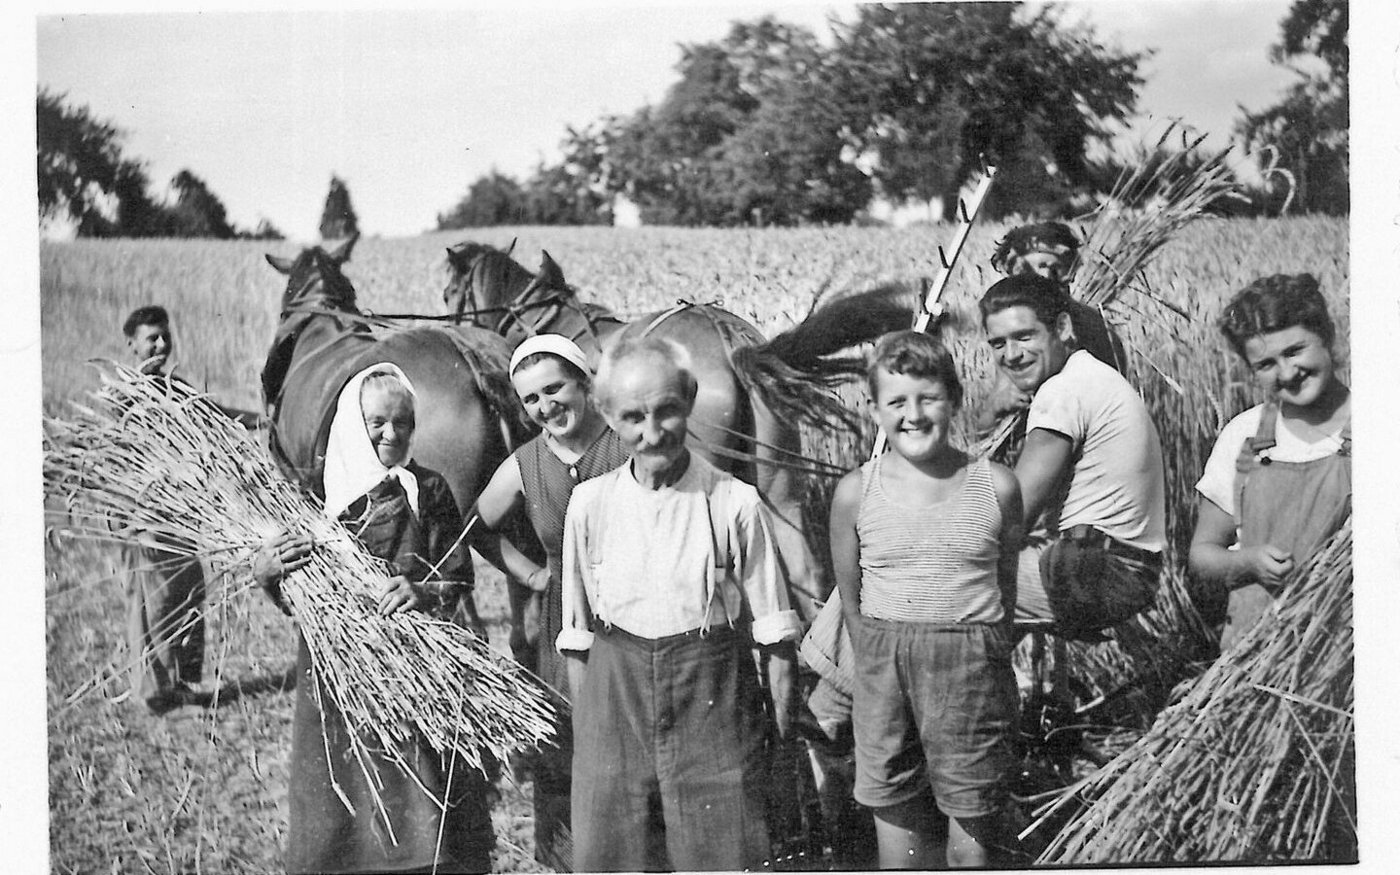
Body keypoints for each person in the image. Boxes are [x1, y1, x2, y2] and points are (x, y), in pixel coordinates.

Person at [558, 335, 802, 872]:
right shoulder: (589, 505)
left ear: (690, 398)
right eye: (632, 418)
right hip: (615, 701)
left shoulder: (734, 502)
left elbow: (776, 636)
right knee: (615, 851)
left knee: (721, 849)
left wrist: (778, 744)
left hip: (710, 701)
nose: (652, 433)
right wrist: (592, 744)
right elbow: (576, 638)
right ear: (606, 415)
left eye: (667, 411)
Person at [254, 363, 494, 874]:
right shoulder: (316, 499)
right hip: (336, 670)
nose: (392, 433)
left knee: (416, 787)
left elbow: (458, 574)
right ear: (350, 423)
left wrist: (421, 591)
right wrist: (267, 572)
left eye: (403, 422)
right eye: (377, 422)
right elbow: (293, 593)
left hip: (412, 662)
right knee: (341, 782)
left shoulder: (429, 490)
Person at [829, 331, 1024, 868]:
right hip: (883, 670)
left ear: (955, 399)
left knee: (972, 852)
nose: (913, 415)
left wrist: (976, 647)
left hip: (969, 671)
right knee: (902, 847)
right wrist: (877, 659)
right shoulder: (854, 492)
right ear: (874, 410)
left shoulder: (997, 486)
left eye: (928, 397)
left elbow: (1003, 587)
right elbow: (852, 600)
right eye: (896, 402)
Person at [468, 333, 628, 872]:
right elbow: (476, 526)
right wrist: (532, 573)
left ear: (584, 383)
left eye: (554, 389)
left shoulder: (627, 441)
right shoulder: (526, 463)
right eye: (530, 399)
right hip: (568, 624)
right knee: (569, 740)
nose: (545, 406)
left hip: (635, 611)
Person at [979, 273, 1165, 639]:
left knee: (909, 588)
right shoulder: (1093, 375)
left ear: (1062, 327)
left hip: (1095, 572)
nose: (1011, 355)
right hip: (1114, 569)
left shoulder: (1064, 391)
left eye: (1024, 336)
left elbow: (1012, 514)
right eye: (998, 343)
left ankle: (844, 695)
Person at [1188, 274, 1350, 650]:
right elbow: (1202, 555)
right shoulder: (1243, 435)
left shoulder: (1379, 427)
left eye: (1295, 351)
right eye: (1266, 364)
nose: (1287, 373)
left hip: (1344, 652)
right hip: (1255, 649)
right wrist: (1248, 563)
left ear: (1327, 337)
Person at [120, 305, 210, 714]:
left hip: (181, 512)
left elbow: (215, 418)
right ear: (132, 345)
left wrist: (262, 419)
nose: (160, 344)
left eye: (165, 335)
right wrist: (138, 520)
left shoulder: (178, 388)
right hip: (146, 516)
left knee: (188, 592)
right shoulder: (124, 395)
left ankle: (183, 683)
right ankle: (159, 696)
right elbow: (118, 459)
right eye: (151, 338)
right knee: (155, 604)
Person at [979, 222, 1125, 438]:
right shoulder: (1011, 341)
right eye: (1026, 274)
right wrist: (994, 408)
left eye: (1052, 268)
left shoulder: (1091, 327)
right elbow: (985, 426)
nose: (1043, 278)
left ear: (1070, 272)